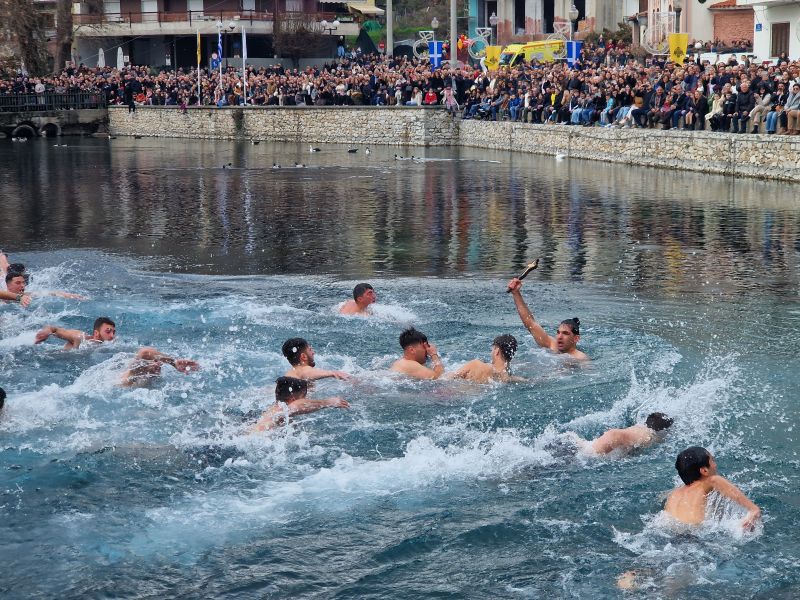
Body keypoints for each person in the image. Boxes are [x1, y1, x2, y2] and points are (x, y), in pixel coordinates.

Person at [664, 446, 761, 530]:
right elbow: (722, 485)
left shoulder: (674, 493)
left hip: (669, 532)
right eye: (712, 460)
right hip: (693, 534)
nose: (715, 465)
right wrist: (754, 509)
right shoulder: (710, 481)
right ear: (704, 471)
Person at [506, 278, 588, 360]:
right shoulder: (551, 345)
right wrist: (516, 293)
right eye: (558, 332)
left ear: (576, 338)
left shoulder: (580, 359)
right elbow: (530, 323)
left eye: (565, 333)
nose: (559, 337)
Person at [251, 376, 350, 432]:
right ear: (293, 398)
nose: (306, 400)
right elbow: (297, 405)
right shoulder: (284, 409)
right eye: (304, 397)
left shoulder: (275, 409)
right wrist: (328, 402)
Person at [575, 412, 674, 455]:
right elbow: (614, 434)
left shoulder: (641, 428)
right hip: (586, 451)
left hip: (580, 444)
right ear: (662, 431)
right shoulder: (648, 437)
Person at [448, 334, 524, 383]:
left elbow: (446, 378)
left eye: (492, 349)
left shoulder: (476, 365)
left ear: (497, 351)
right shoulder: (510, 379)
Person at [119, 347, 200, 387]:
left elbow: (147, 352)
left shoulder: (150, 372)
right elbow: (144, 353)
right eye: (153, 362)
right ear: (142, 369)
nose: (159, 364)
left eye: (156, 361)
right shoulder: (132, 377)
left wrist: (174, 363)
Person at [281, 337, 349, 381]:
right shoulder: (302, 369)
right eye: (310, 350)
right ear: (303, 356)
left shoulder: (289, 374)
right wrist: (332, 373)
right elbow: (306, 372)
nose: (313, 353)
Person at [35, 317, 118, 350]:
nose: (112, 336)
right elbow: (53, 329)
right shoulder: (80, 338)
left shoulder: (109, 344)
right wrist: (46, 331)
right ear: (96, 333)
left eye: (113, 332)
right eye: (108, 331)